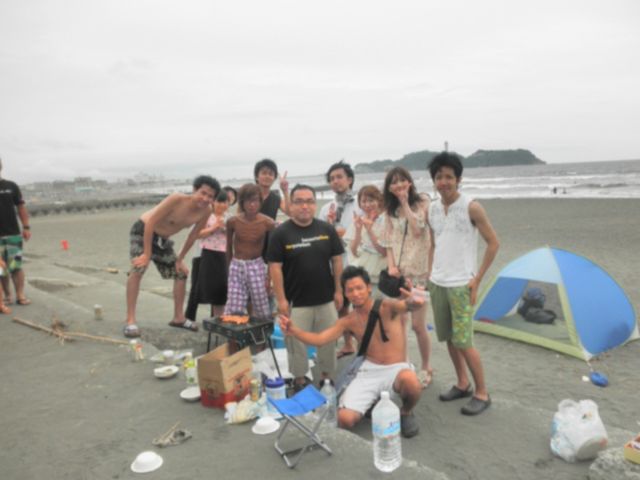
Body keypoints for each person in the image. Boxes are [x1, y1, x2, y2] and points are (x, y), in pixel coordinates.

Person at [279, 266, 423, 438]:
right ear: (345, 294)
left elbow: (406, 305)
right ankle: (372, 401)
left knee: (411, 382)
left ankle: (406, 412)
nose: (356, 293)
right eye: (350, 290)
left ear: (369, 288)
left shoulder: (386, 307)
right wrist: (294, 331)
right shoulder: (348, 321)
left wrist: (414, 301)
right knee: (344, 419)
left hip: (396, 368)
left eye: (359, 288)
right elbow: (320, 339)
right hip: (369, 370)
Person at [426, 152, 500, 416]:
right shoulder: (432, 209)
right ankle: (462, 383)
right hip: (438, 283)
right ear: (433, 180)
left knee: (465, 341)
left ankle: (482, 393)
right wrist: (430, 274)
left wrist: (476, 279)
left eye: (449, 176)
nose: (444, 182)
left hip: (461, 285)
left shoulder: (471, 207)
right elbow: (433, 244)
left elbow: (494, 243)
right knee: (449, 338)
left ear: (458, 179)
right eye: (439, 177)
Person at [267, 184, 344, 390]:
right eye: (299, 201)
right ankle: (300, 379)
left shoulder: (326, 229)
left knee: (328, 341)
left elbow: (337, 260)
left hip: (326, 298)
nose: (304, 206)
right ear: (291, 205)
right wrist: (281, 299)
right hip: (296, 301)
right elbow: (275, 267)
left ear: (314, 204)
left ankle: (326, 376)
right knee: (295, 343)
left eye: (309, 201)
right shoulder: (280, 233)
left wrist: (339, 290)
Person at [124, 175, 220, 338]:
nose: (205, 199)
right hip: (143, 231)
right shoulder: (176, 199)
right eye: (203, 193)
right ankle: (130, 320)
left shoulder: (207, 211)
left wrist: (180, 259)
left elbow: (193, 235)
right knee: (139, 268)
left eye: (210, 196)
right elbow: (151, 222)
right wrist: (146, 254)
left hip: (162, 240)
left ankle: (178, 317)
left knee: (181, 273)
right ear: (194, 190)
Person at [380, 166, 433, 388]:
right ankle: (405, 365)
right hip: (400, 276)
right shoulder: (389, 211)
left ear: (410, 182)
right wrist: (391, 266)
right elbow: (388, 241)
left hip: (419, 275)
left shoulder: (423, 202)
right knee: (400, 323)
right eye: (394, 182)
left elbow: (419, 229)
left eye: (402, 180)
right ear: (388, 187)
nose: (399, 185)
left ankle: (426, 367)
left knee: (418, 326)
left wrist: (404, 203)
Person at [318, 160, 361, 357]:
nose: (335, 181)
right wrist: (330, 228)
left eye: (340, 177)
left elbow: (368, 230)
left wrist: (345, 233)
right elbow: (319, 235)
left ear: (349, 179)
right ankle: (348, 344)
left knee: (361, 307)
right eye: (332, 178)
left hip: (357, 263)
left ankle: (366, 347)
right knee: (341, 307)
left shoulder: (361, 203)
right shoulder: (327, 207)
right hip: (335, 265)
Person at [224, 184, 275, 319]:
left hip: (256, 266)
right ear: (242, 202)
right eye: (248, 201)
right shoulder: (233, 221)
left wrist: (269, 277)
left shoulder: (268, 223)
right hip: (236, 265)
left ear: (260, 202)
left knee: (262, 307)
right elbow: (228, 247)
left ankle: (263, 332)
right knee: (234, 307)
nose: (252, 205)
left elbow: (273, 251)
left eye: (255, 200)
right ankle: (235, 332)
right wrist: (229, 270)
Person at [185, 191, 231, 322]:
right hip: (208, 254)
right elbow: (197, 234)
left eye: (225, 202)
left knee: (223, 287)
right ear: (213, 202)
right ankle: (202, 318)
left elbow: (235, 236)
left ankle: (219, 319)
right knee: (208, 287)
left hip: (224, 254)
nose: (222, 205)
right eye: (219, 201)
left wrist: (226, 229)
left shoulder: (230, 218)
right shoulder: (206, 216)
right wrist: (214, 227)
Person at [344, 185, 387, 297]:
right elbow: (353, 252)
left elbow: (384, 252)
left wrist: (369, 230)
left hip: (382, 275)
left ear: (379, 200)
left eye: (371, 200)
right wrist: (358, 230)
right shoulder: (358, 221)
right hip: (362, 274)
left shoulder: (387, 221)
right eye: (363, 201)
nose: (367, 205)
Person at [0, 157, 31, 309]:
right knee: (1, 269)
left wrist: (26, 227)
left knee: (16, 266)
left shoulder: (11, 186)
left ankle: (20, 294)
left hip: (13, 234)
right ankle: (7, 295)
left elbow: (21, 207)